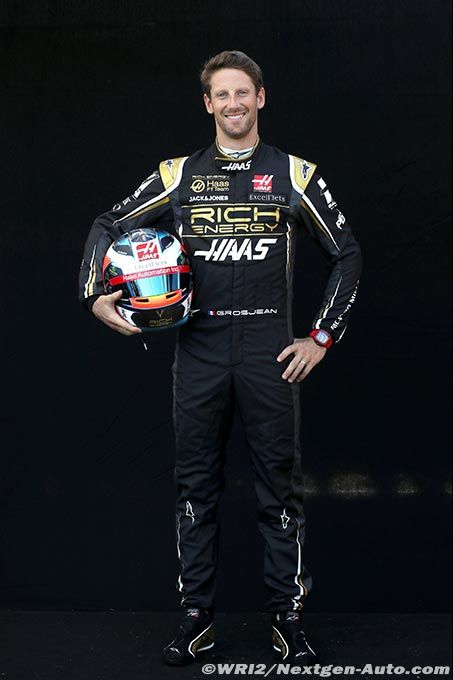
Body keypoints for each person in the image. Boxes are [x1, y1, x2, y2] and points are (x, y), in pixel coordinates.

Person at [78, 50, 362, 666]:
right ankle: (196, 620)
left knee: (279, 491)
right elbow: (107, 223)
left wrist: (321, 337)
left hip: (270, 355)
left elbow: (347, 254)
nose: (234, 103)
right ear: (208, 104)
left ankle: (288, 620)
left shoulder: (295, 174)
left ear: (261, 97)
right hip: (199, 353)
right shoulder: (178, 174)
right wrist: (94, 294)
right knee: (195, 489)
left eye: (243, 92)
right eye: (222, 94)